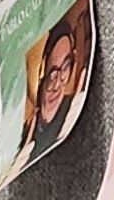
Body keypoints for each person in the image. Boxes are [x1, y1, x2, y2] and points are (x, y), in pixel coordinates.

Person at [21, 17, 84, 166]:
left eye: (65, 68)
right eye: (52, 73)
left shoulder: (73, 109)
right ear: (41, 77)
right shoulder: (24, 134)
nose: (57, 85)